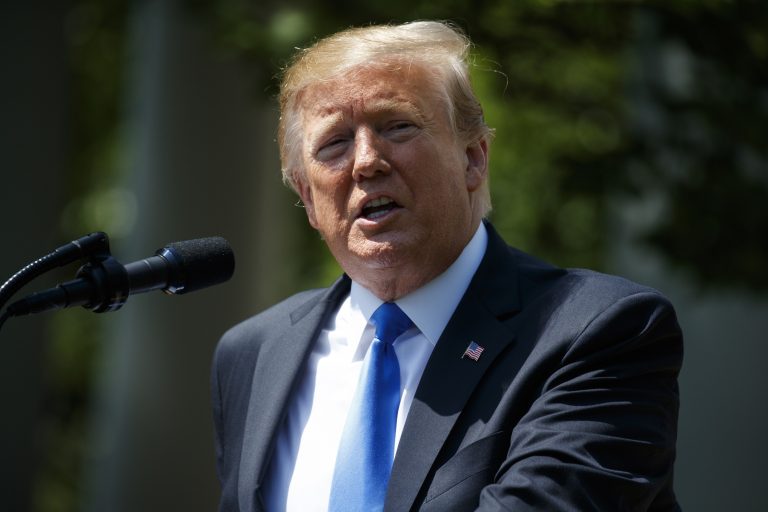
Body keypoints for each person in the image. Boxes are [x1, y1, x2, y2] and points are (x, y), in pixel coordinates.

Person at [211, 21, 683, 512]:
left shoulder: (599, 330)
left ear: (473, 160)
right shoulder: (253, 353)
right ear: (308, 198)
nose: (367, 161)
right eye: (334, 144)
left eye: (398, 126)